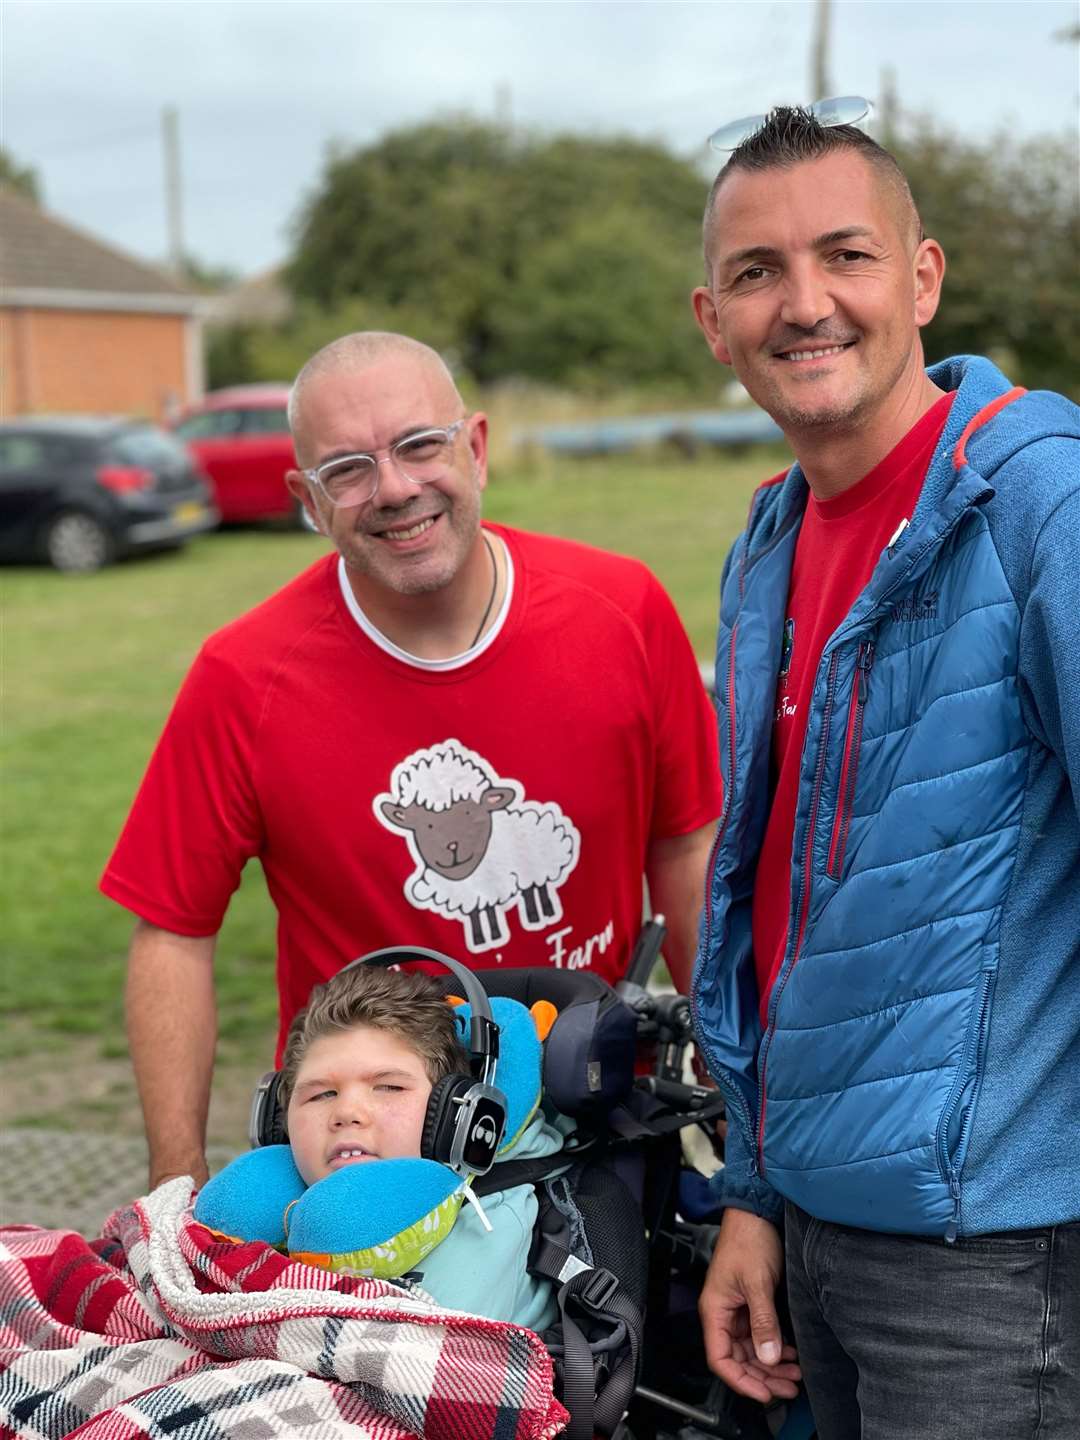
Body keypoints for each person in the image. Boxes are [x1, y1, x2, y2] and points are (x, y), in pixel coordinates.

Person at [101, 331, 722, 1191]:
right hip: (366, 1162)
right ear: (308, 501)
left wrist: (734, 1076)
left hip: (594, 1115)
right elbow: (171, 929)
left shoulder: (622, 611)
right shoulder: (244, 679)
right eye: (347, 469)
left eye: (420, 446)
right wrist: (176, 1181)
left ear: (475, 447)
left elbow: (687, 848)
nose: (394, 488)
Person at [689, 104, 1080, 1437]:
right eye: (758, 273)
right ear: (712, 318)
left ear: (921, 278)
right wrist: (753, 1186)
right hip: (809, 1231)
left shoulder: (1040, 503)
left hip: (991, 1257)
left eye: (844, 256)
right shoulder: (768, 537)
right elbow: (769, 914)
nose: (805, 305)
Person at [276, 963, 561, 1328]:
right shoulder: (269, 1215)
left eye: (389, 1087)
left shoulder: (491, 1226)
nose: (346, 1112)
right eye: (321, 1094)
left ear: (453, 1112)